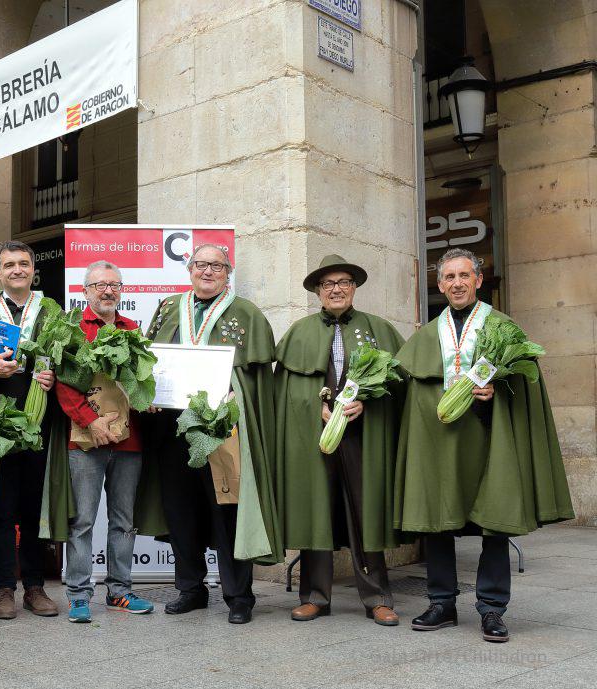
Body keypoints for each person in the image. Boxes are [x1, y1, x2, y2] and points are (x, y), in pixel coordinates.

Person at [394, 247, 574, 643]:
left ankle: (492, 608)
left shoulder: (503, 327)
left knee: (495, 521)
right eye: (448, 278)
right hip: (439, 444)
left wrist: (499, 392)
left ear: (478, 279)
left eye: (464, 276)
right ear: (439, 285)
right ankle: (441, 601)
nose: (456, 283)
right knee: (436, 520)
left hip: (491, 440)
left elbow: (526, 388)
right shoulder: (425, 336)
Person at [143, 244, 282, 624]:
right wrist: (149, 392)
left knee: (229, 509)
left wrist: (237, 392)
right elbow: (150, 360)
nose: (207, 271)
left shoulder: (246, 313)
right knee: (181, 508)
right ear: (189, 269)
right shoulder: (170, 307)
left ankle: (239, 595)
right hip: (173, 427)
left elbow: (256, 377)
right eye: (200, 264)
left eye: (216, 266)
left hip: (222, 428)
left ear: (227, 272)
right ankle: (191, 589)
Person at [274, 255, 404, 626]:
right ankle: (315, 596)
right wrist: (313, 408)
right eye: (328, 284)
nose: (336, 289)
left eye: (343, 282)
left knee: (366, 511)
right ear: (317, 291)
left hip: (362, 437)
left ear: (354, 288)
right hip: (313, 438)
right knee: (315, 509)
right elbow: (283, 390)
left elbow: (399, 382)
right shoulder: (299, 332)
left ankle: (377, 597)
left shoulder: (378, 328)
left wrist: (367, 402)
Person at [53, 260, 154, 623]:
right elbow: (64, 386)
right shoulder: (74, 330)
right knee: (82, 521)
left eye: (114, 285)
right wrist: (90, 421)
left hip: (129, 442)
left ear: (121, 291)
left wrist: (152, 398)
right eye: (99, 285)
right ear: (86, 292)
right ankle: (79, 595)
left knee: (123, 521)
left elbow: (144, 383)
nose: (107, 291)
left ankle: (120, 591)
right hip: (84, 442)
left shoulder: (133, 331)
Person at [0, 242, 60, 620]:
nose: (17, 270)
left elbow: (72, 367)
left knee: (33, 508)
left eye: (24, 263)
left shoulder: (52, 312)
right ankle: (3, 587)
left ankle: (35, 586)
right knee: (2, 510)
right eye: (9, 265)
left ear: (33, 268)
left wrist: (55, 376)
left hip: (39, 425)